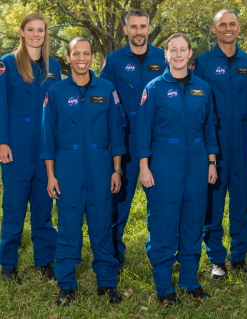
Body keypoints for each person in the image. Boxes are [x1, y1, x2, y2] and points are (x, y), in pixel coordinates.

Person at [41, 37, 125, 307]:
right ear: (67, 57)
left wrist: (117, 170)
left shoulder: (107, 88)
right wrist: (51, 176)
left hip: (101, 165)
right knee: (68, 228)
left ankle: (107, 283)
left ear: (92, 58)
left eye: (86, 53)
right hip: (67, 166)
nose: (81, 58)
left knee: (102, 226)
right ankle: (66, 286)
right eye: (75, 53)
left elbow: (117, 133)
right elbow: (48, 138)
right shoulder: (55, 92)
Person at [137, 33, 218, 306]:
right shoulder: (155, 88)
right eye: (174, 50)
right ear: (166, 55)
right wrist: (144, 167)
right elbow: (143, 131)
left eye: (183, 49)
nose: (179, 54)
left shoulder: (203, 89)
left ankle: (189, 281)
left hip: (197, 161)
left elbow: (210, 131)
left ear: (190, 53)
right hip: (164, 161)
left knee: (194, 219)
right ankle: (164, 287)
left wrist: (211, 162)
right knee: (164, 221)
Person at [193, 9, 247, 279]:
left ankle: (239, 256)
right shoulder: (202, 63)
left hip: (244, 137)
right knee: (212, 198)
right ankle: (216, 259)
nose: (227, 28)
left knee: (243, 198)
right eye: (222, 24)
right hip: (214, 136)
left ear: (238, 27)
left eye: (232, 24)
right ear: (214, 29)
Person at [100, 9, 168, 272]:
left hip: (158, 142)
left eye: (143, 26)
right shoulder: (114, 61)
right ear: (126, 29)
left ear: (149, 29)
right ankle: (114, 254)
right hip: (125, 142)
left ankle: (159, 255)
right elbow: (104, 100)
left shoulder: (163, 58)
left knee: (161, 203)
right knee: (119, 202)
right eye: (134, 27)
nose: (139, 31)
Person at [0, 13, 61, 284]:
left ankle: (45, 260)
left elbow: (58, 108)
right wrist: (2, 141)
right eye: (31, 29)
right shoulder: (6, 64)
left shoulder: (54, 66)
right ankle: (7, 265)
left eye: (41, 30)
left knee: (43, 207)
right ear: (22, 32)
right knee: (13, 209)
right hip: (17, 145)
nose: (36, 34)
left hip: (45, 147)